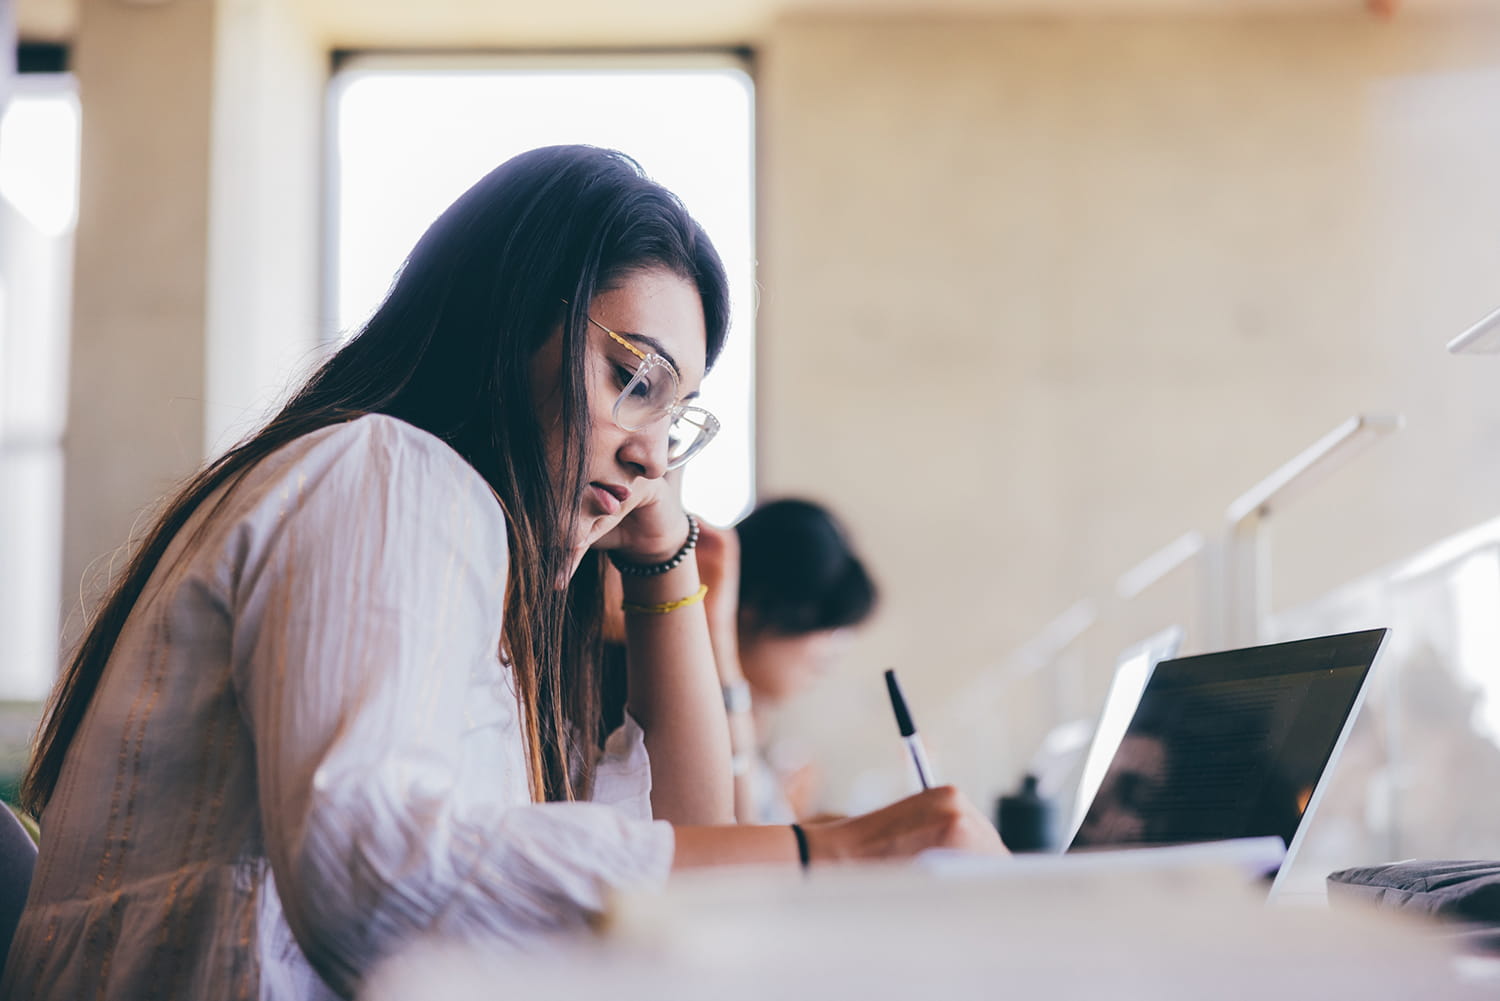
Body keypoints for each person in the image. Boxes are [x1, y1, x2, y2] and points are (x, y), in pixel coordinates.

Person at [2, 145, 1002, 1001]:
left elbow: (693, 860)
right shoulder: (384, 472)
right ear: (513, 317)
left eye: (675, 414)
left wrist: (663, 569)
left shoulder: (500, 613)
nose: (654, 454)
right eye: (632, 378)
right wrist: (837, 852)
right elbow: (373, 880)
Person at [700, 499, 877, 823]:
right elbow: (739, 840)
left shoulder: (755, 732)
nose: (834, 651)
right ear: (754, 607)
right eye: (825, 623)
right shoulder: (692, 718)